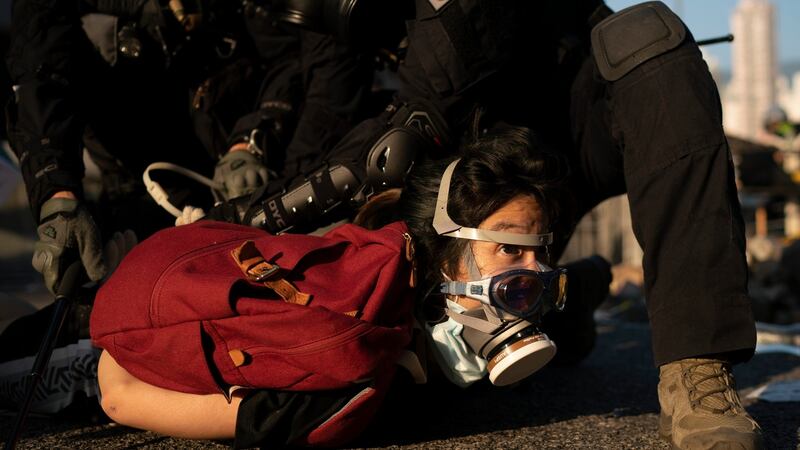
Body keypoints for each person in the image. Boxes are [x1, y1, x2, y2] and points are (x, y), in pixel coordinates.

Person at [206, 1, 764, 448]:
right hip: (449, 186)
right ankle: (566, 296)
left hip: (556, 139)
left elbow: (448, 70)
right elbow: (327, 103)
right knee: (397, 371)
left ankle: (697, 370)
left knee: (649, 40)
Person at [92, 127, 613, 447]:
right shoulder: (345, 361)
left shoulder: (410, 267)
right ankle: (590, 288)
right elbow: (118, 397)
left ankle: (590, 282)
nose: (535, 273)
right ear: (443, 251)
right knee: (564, 338)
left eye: (540, 254)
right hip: (153, 309)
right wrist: (123, 354)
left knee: (562, 316)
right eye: (510, 250)